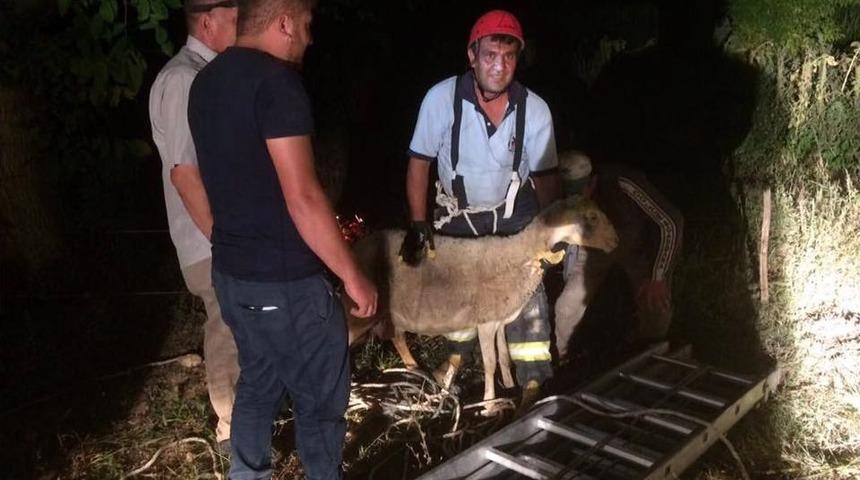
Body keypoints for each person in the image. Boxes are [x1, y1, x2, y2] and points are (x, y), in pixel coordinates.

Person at [187, 0, 378, 478]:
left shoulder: (205, 83)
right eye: (308, 26)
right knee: (319, 397)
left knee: (257, 380)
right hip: (285, 284)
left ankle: (247, 474)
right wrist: (352, 274)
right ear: (284, 22)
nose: (310, 39)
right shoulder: (278, 84)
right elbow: (304, 198)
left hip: (232, 276)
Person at [400, 9, 562, 408]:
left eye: (508, 57)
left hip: (513, 210)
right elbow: (419, 163)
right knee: (455, 285)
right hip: (459, 211)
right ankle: (459, 354)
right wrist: (419, 224)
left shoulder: (535, 110)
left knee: (526, 284)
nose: (498, 65)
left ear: (517, 60)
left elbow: (546, 177)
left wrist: (549, 231)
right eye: (490, 55)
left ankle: (533, 374)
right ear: (471, 56)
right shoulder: (441, 99)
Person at [148, 0, 239, 451]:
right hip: (208, 240)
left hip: (219, 235)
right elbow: (184, 171)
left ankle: (244, 416)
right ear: (208, 22)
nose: (241, 27)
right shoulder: (185, 79)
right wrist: (223, 240)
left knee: (239, 320)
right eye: (234, 18)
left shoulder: (207, 75)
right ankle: (230, 427)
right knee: (226, 321)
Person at [554, 151, 684, 362]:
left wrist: (658, 275)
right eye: (571, 193)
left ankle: (650, 352)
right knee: (566, 305)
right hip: (595, 250)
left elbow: (671, 222)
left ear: (592, 181)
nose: (578, 198)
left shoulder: (622, 183)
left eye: (582, 191)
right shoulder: (559, 193)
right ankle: (565, 360)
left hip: (637, 247)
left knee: (655, 305)